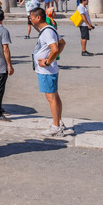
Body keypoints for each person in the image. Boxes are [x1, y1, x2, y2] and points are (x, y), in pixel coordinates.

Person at [30, 8, 68, 137]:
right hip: (48, 69)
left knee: (51, 97)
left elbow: (55, 48)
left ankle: (56, 126)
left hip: (46, 70)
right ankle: (58, 121)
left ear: (38, 18)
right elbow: (62, 43)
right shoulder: (48, 29)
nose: (30, 19)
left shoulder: (47, 32)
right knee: (54, 96)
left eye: (31, 17)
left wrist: (47, 62)